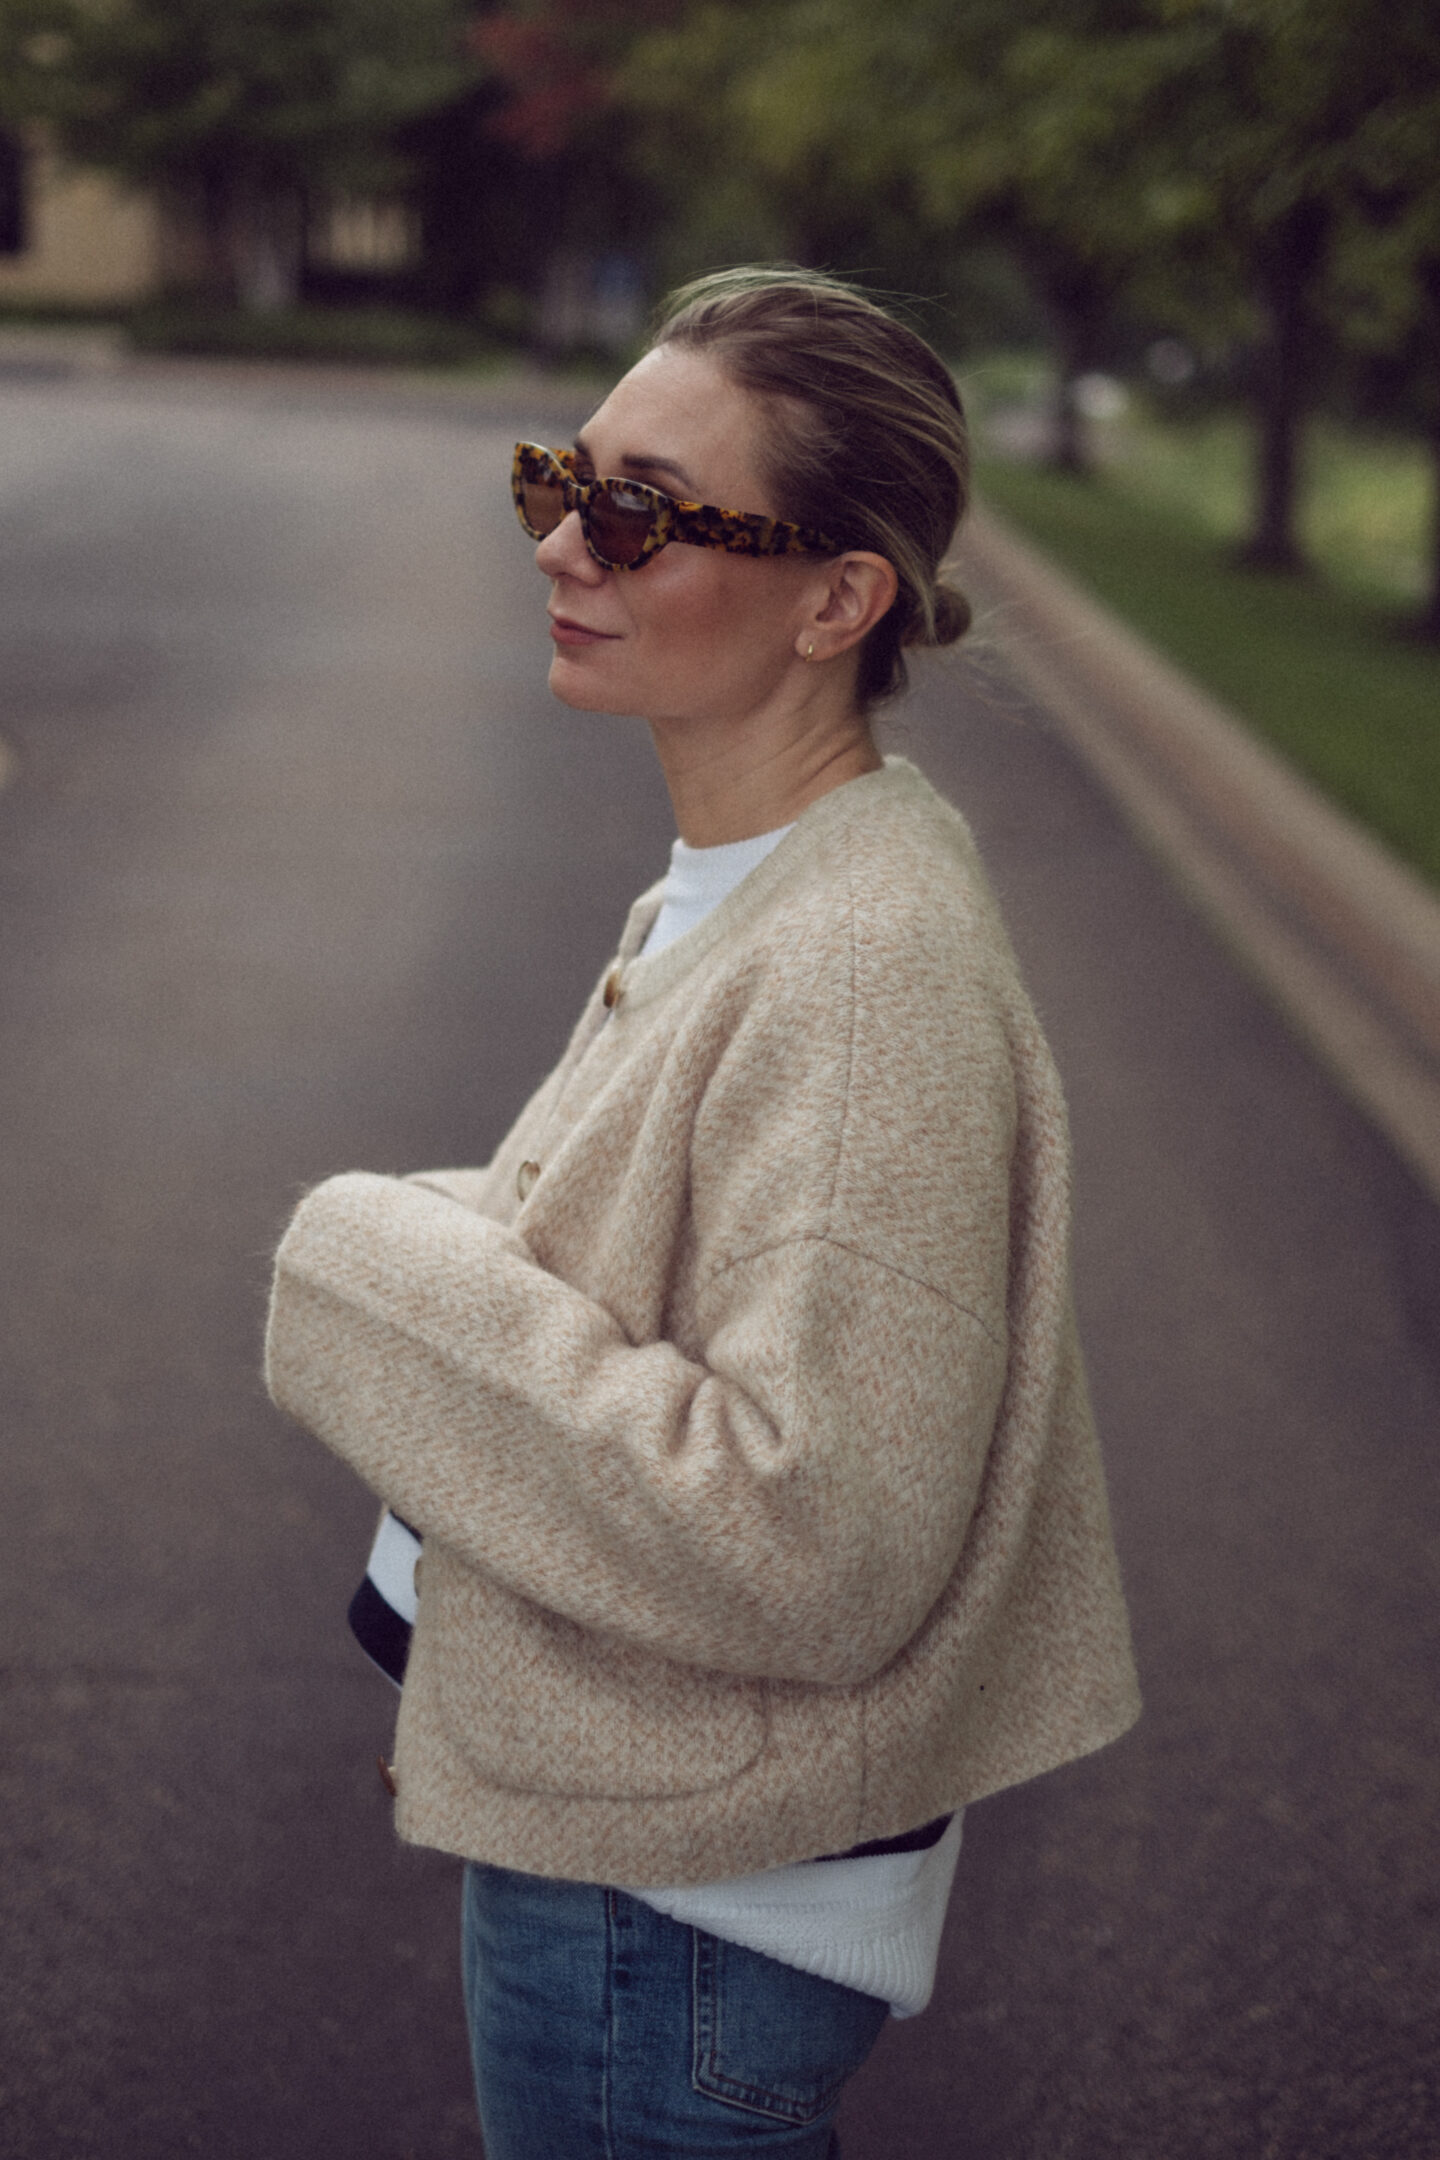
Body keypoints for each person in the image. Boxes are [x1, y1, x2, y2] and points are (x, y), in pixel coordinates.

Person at [264, 265, 1140, 2157]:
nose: (570, 542)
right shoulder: (757, 884)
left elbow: (811, 1538)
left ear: (841, 599)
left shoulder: (856, 972)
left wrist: (365, 1268)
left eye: (644, 511)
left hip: (674, 1915)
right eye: (557, 482)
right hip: (665, 1877)